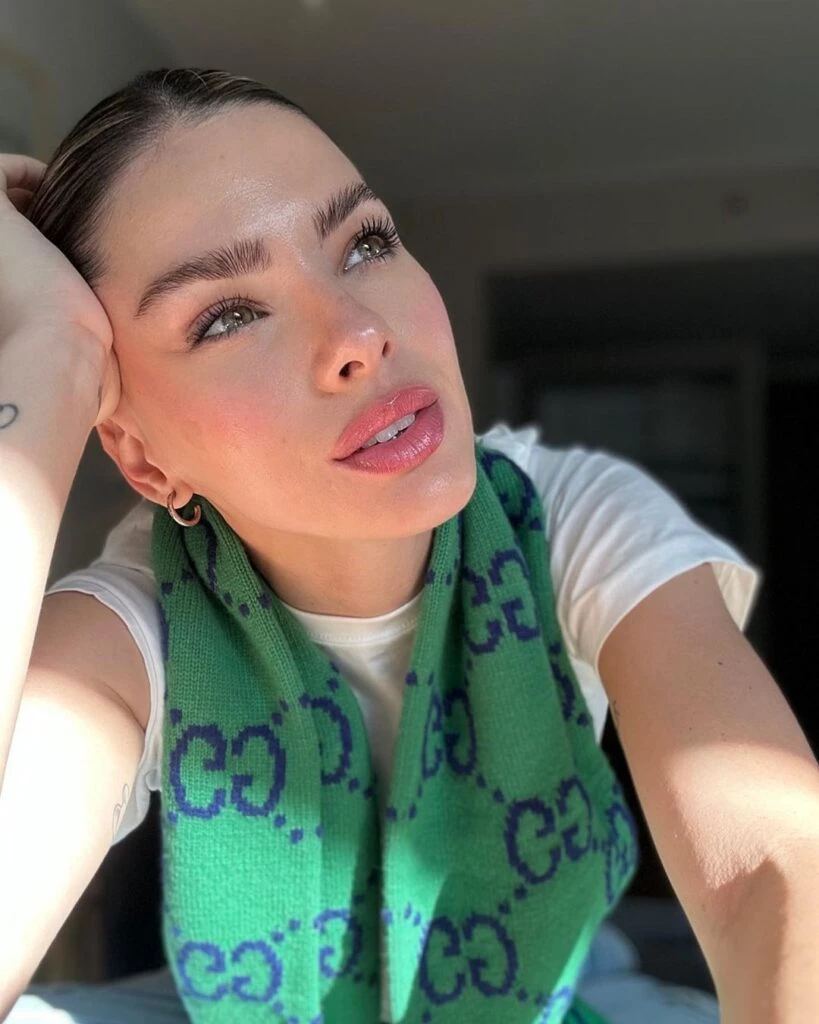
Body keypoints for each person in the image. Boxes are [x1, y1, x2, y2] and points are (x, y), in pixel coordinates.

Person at [1, 67, 817, 1024]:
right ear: (143, 458)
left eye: (364, 244)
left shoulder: (572, 519)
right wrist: (46, 351)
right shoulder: (137, 627)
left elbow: (774, 870)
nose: (358, 334)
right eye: (228, 315)